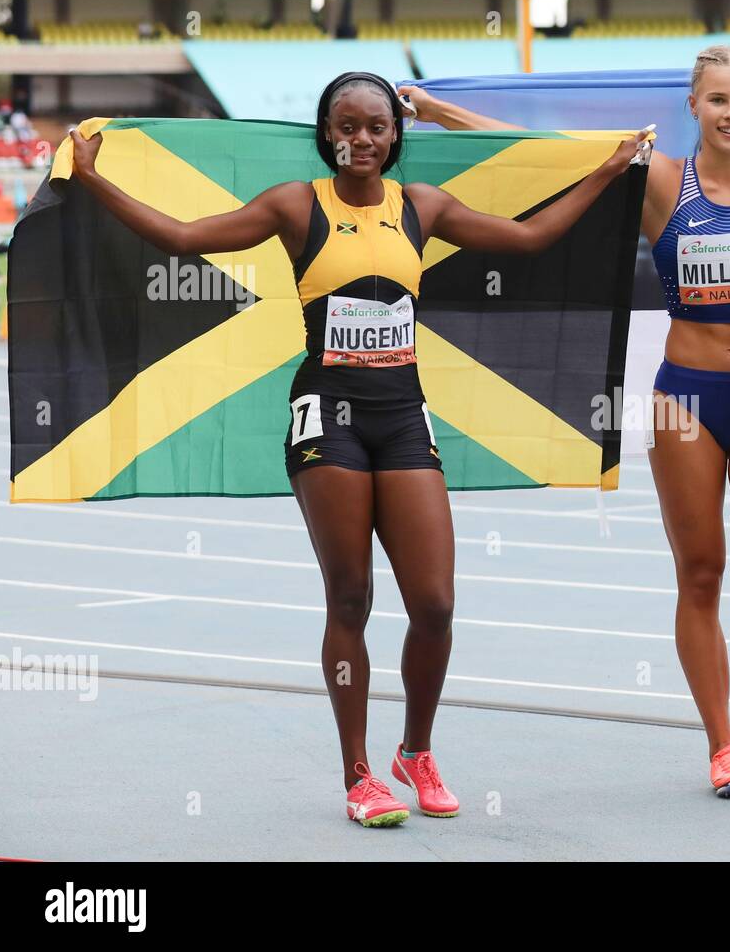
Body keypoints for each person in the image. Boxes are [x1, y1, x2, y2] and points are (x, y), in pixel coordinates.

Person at [70, 71, 645, 826]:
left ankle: (417, 749)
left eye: (375, 125)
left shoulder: (424, 208)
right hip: (327, 416)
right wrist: (92, 179)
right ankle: (360, 772)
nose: (361, 139)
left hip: (403, 413)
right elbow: (183, 237)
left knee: (434, 603)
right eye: (346, 126)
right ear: (326, 134)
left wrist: (605, 171)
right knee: (351, 596)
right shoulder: (294, 204)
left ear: (395, 135)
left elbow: (532, 238)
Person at [402, 45, 730, 798]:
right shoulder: (658, 180)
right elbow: (532, 148)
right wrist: (435, 109)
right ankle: (723, 745)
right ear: (694, 106)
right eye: (717, 100)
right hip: (685, 398)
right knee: (702, 573)